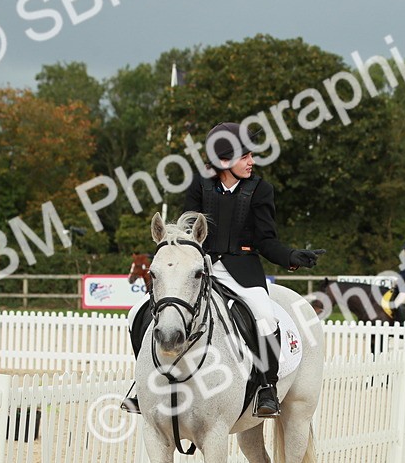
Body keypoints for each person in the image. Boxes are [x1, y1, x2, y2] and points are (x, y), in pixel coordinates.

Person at [122, 122, 325, 417]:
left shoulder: (261, 190)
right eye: (246, 156)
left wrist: (291, 256)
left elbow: (266, 241)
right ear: (224, 161)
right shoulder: (199, 184)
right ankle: (142, 385)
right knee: (137, 312)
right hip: (199, 267)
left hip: (242, 271)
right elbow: (188, 230)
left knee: (264, 315)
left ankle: (267, 387)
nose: (252, 162)